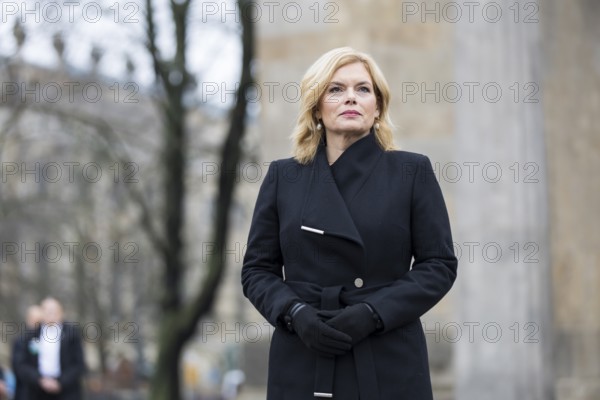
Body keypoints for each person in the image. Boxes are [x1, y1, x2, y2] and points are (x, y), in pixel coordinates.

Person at [241, 47, 458, 399]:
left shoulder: (411, 171)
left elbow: (439, 265)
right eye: (336, 89)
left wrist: (374, 312)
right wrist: (294, 313)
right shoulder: (284, 177)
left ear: (377, 109)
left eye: (363, 89)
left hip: (387, 352)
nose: (350, 98)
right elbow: (256, 270)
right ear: (316, 108)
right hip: (304, 353)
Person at [12, 298, 86, 400]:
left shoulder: (72, 334)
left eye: (54, 311)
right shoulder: (30, 335)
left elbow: (78, 364)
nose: (51, 314)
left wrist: (60, 382)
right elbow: (22, 364)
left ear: (61, 312)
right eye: (48, 311)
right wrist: (40, 380)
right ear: (42, 313)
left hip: (66, 391)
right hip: (37, 391)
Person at [12, 305, 44, 400]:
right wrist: (38, 378)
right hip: (25, 392)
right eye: (34, 319)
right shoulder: (20, 340)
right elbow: (18, 366)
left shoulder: (46, 340)